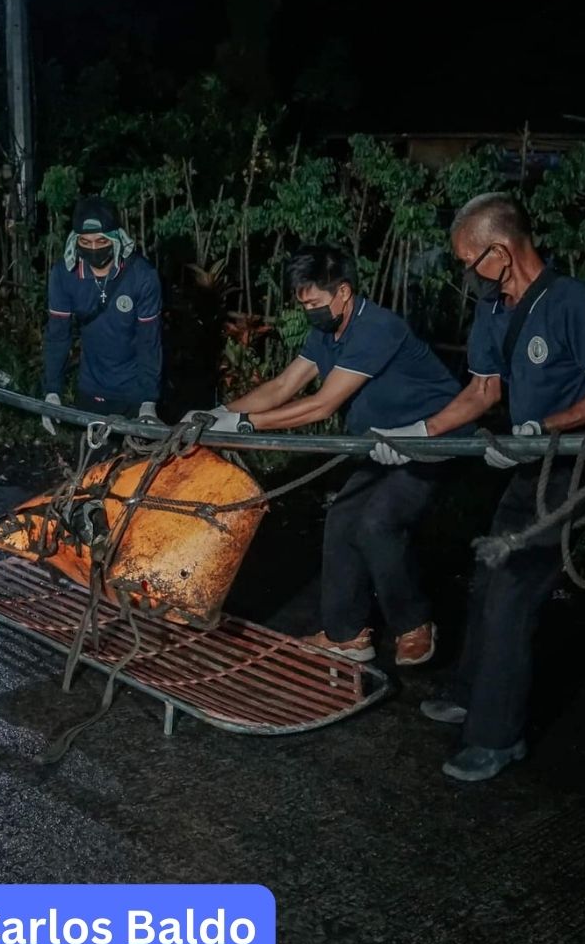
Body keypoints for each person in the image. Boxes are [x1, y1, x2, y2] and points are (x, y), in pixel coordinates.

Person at [391, 193, 585, 781]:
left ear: (499, 250)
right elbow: (481, 393)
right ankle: (472, 692)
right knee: (489, 576)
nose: (467, 276)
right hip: (531, 464)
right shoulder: (494, 310)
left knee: (514, 593)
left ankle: (497, 738)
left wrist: (539, 429)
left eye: (470, 263)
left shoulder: (574, 304)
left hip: (575, 464)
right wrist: (416, 434)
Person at [184, 245, 460, 667]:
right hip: (378, 444)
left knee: (377, 522)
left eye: (314, 303)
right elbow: (282, 386)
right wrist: (220, 413)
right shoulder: (326, 332)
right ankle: (346, 634)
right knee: (342, 518)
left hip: (431, 438)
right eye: (302, 303)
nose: (309, 310)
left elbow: (321, 405)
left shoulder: (376, 328)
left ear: (343, 292)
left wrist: (247, 426)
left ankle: (414, 624)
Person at [42, 197, 167, 436]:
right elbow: (58, 335)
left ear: (116, 238)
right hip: (91, 386)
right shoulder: (63, 275)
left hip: (135, 391)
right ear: (75, 241)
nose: (94, 248)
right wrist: (52, 391)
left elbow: (149, 341)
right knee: (93, 468)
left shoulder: (143, 276)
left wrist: (149, 402)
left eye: (101, 240)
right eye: (85, 241)